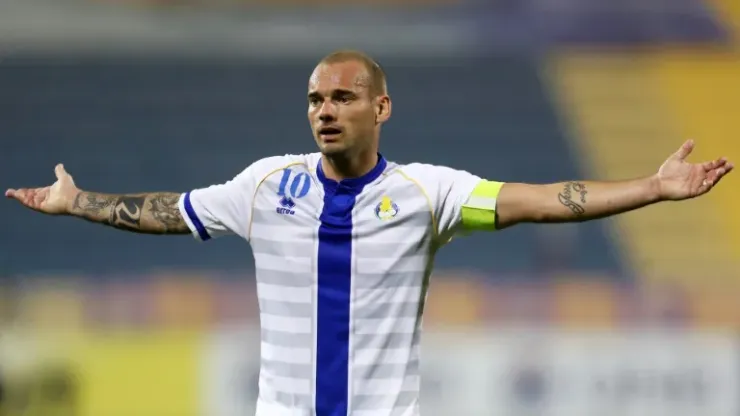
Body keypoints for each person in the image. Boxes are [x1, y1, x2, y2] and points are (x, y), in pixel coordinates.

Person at [5, 50, 733, 416]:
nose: (324, 110)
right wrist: (78, 202)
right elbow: (172, 212)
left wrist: (652, 187)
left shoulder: (428, 193)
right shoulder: (265, 186)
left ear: (380, 108)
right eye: (315, 99)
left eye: (342, 97)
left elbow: (544, 201)